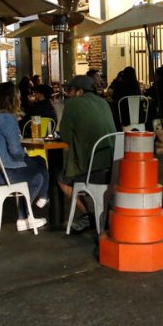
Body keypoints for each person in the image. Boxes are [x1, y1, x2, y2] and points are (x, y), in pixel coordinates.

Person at [0, 82, 49, 231]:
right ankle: (26, 215)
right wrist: (24, 156)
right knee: (38, 175)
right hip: (0, 172)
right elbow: (16, 152)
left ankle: (40, 199)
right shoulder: (6, 118)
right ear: (14, 98)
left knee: (39, 161)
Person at [58, 75, 117, 233]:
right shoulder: (103, 103)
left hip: (93, 170)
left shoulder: (72, 104)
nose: (68, 94)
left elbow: (65, 136)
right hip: (114, 167)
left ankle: (89, 216)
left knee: (62, 179)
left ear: (79, 91)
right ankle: (97, 216)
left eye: (70, 90)